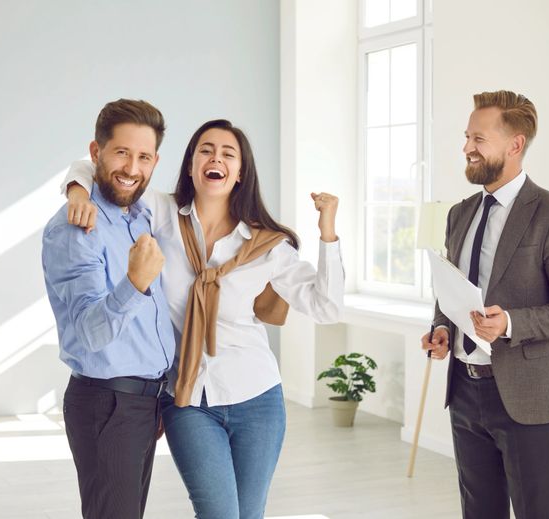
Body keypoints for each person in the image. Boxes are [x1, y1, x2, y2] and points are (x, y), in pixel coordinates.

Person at [63, 119, 344, 519]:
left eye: (228, 154)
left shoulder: (265, 245)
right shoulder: (161, 214)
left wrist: (328, 234)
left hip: (258, 398)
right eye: (206, 150)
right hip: (187, 399)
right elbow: (109, 171)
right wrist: (77, 190)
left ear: (240, 172)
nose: (216, 159)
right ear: (191, 165)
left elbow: (327, 307)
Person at [421, 90, 549, 519]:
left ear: (514, 145)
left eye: (478, 138)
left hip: (526, 396)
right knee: (479, 512)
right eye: (466, 137)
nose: (466, 148)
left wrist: (511, 322)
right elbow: (454, 291)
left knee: (538, 511)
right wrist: (443, 329)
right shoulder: (459, 214)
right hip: (464, 389)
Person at [41, 99, 175, 519]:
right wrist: (135, 283)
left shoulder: (139, 215)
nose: (132, 168)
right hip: (107, 403)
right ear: (96, 152)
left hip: (143, 402)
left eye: (143, 157)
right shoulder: (77, 227)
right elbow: (89, 334)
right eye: (121, 152)